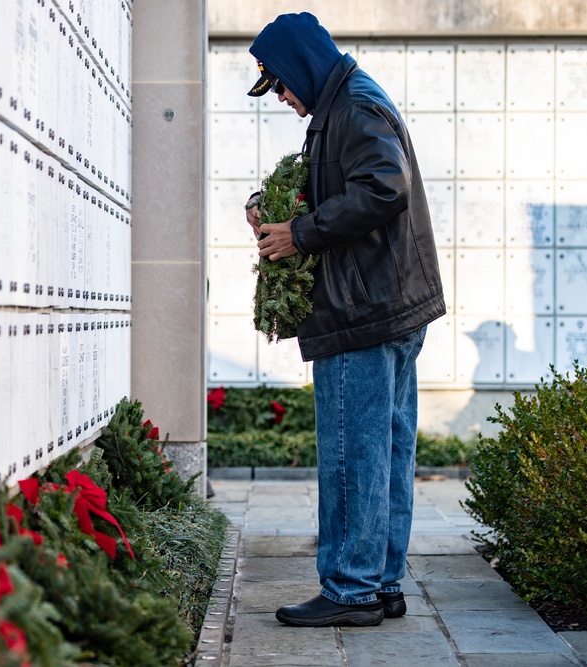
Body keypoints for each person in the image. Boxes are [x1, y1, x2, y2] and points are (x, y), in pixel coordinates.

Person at [244, 12, 445, 627]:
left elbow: (384, 186)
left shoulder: (354, 107)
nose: (283, 98)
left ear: (303, 64)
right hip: (388, 305)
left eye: (281, 85)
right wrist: (273, 208)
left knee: (351, 453)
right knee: (383, 448)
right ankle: (381, 582)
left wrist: (300, 234)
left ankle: (351, 589)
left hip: (365, 312)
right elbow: (348, 183)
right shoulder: (347, 104)